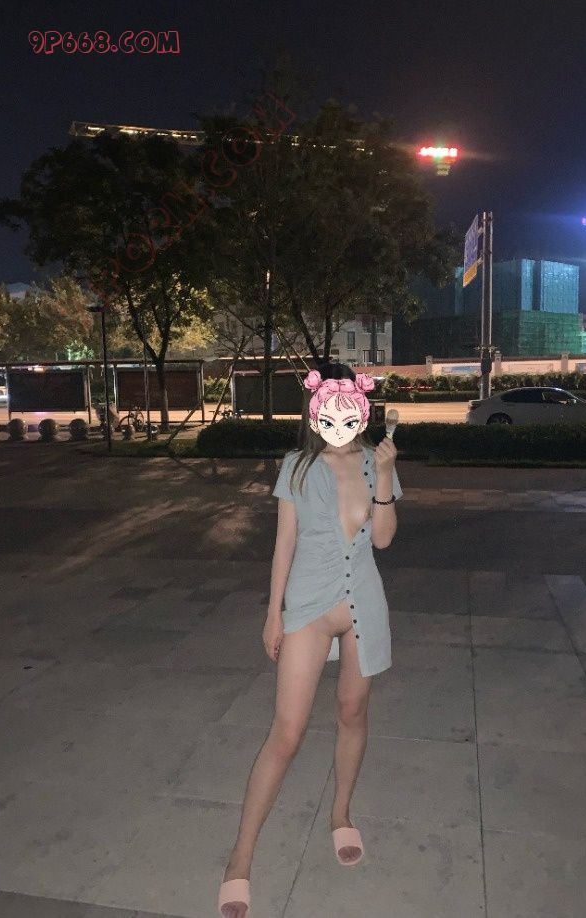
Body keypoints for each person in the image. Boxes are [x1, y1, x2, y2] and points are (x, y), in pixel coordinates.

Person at [218, 361, 403, 918]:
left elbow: (384, 540)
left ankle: (341, 814)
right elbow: (284, 544)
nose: (339, 420)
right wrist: (273, 614)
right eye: (330, 409)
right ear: (316, 410)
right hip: (308, 605)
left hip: (363, 603)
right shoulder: (297, 466)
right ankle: (240, 858)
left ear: (361, 411)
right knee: (287, 732)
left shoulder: (376, 461)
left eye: (349, 410)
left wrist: (388, 476)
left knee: (352, 711)